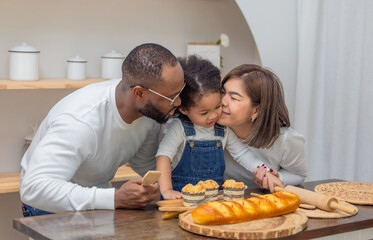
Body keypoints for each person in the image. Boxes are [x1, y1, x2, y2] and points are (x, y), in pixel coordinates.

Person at [19, 43, 185, 216]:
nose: (179, 102)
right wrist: (115, 198)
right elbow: (34, 188)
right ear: (139, 93)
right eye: (171, 97)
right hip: (47, 206)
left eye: (180, 91)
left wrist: (179, 187)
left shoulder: (149, 112)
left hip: (96, 201)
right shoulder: (80, 121)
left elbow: (142, 162)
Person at [156, 56, 268, 200]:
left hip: (212, 200)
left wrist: (265, 171)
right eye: (204, 113)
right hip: (180, 200)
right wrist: (166, 190)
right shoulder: (179, 128)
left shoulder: (222, 129)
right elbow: (163, 157)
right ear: (184, 109)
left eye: (217, 106)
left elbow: (242, 154)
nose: (213, 116)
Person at [218, 64, 307, 192]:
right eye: (222, 93)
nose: (223, 102)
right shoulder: (214, 128)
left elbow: (299, 175)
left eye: (233, 98)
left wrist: (277, 177)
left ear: (256, 110)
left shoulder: (285, 139)